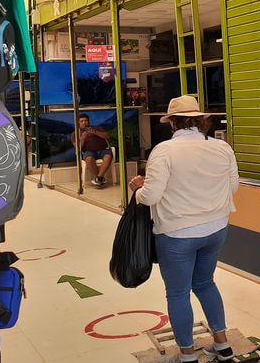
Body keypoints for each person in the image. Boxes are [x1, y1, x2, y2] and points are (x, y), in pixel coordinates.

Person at [128, 95, 239, 363]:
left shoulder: (164, 151)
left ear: (172, 122)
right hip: (216, 229)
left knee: (178, 293)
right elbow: (233, 187)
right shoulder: (222, 148)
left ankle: (187, 354)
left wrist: (138, 189)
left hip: (177, 234)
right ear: (201, 121)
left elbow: (151, 196)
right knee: (205, 283)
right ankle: (222, 346)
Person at [71, 114, 113, 187]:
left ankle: (99, 178)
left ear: (88, 121)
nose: (84, 122)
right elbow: (78, 148)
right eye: (82, 121)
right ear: (78, 123)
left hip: (103, 149)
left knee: (108, 156)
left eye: (86, 121)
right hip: (89, 151)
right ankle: (100, 178)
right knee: (89, 159)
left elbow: (107, 136)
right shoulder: (75, 133)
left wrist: (95, 132)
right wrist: (83, 138)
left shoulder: (97, 128)